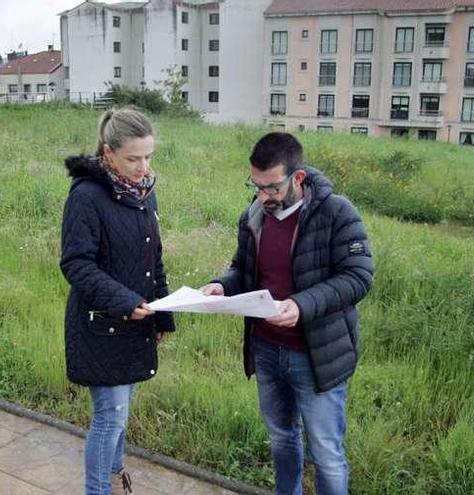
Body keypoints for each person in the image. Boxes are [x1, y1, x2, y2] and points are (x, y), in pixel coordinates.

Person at [201, 132, 374, 495]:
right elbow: (243, 269)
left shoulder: (337, 213)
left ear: (297, 177)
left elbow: (358, 277)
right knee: (281, 439)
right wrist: (223, 285)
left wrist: (301, 305)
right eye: (257, 186)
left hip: (315, 355)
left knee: (326, 452)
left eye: (272, 188)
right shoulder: (254, 213)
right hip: (266, 349)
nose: (264, 196)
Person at [60, 107, 175, 495]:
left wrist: (162, 318)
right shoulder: (87, 196)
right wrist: (126, 301)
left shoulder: (144, 193)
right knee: (110, 416)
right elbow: (76, 264)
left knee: (120, 416)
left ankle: (114, 474)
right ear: (108, 152)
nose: (143, 166)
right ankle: (99, 489)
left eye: (148, 156)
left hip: (138, 322)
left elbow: (152, 258)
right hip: (101, 325)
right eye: (133, 158)